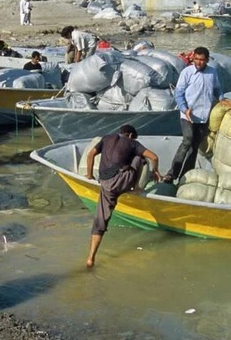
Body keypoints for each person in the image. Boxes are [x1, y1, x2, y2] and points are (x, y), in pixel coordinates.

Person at [83, 124, 160, 267]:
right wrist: (155, 171)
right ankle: (136, 187)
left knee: (100, 221)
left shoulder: (106, 138)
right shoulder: (133, 143)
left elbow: (90, 154)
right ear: (130, 135)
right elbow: (154, 157)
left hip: (105, 184)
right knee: (140, 158)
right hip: (122, 181)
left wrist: (89, 175)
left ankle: (90, 258)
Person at [164, 46, 223, 184]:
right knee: (187, 141)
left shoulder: (212, 73)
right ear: (193, 59)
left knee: (195, 146)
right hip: (188, 115)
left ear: (207, 60)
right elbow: (178, 94)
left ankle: (185, 176)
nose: (198, 62)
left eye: (202, 60)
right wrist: (185, 109)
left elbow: (217, 89)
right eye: (196, 59)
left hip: (203, 116)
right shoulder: (187, 72)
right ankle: (172, 174)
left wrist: (222, 99)